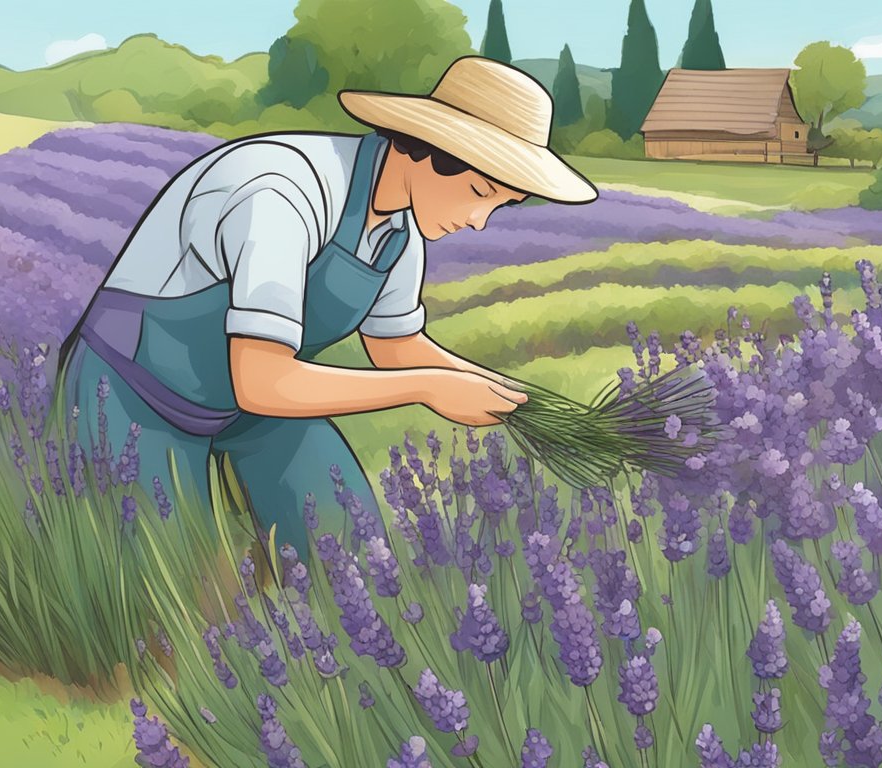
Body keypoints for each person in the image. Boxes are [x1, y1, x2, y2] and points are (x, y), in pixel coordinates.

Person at [55, 55, 600, 563]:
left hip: (256, 409)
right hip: (135, 392)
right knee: (170, 597)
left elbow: (396, 347)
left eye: (499, 204)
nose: (480, 221)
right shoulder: (281, 191)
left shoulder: (400, 231)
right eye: (480, 192)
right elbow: (262, 380)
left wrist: (520, 401)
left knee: (353, 553)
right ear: (428, 149)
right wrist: (428, 387)